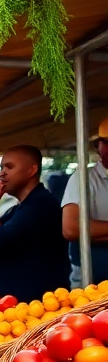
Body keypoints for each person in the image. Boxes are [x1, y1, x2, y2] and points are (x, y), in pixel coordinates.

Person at [0, 146, 70, 303]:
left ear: (31, 170)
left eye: (9, 167)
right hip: (19, 307)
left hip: (42, 306)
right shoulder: (20, 208)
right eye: (1, 168)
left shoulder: (40, 205)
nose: (2, 173)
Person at [62, 117, 108, 286]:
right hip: (93, 278)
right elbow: (71, 229)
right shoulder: (83, 178)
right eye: (107, 143)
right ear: (98, 146)